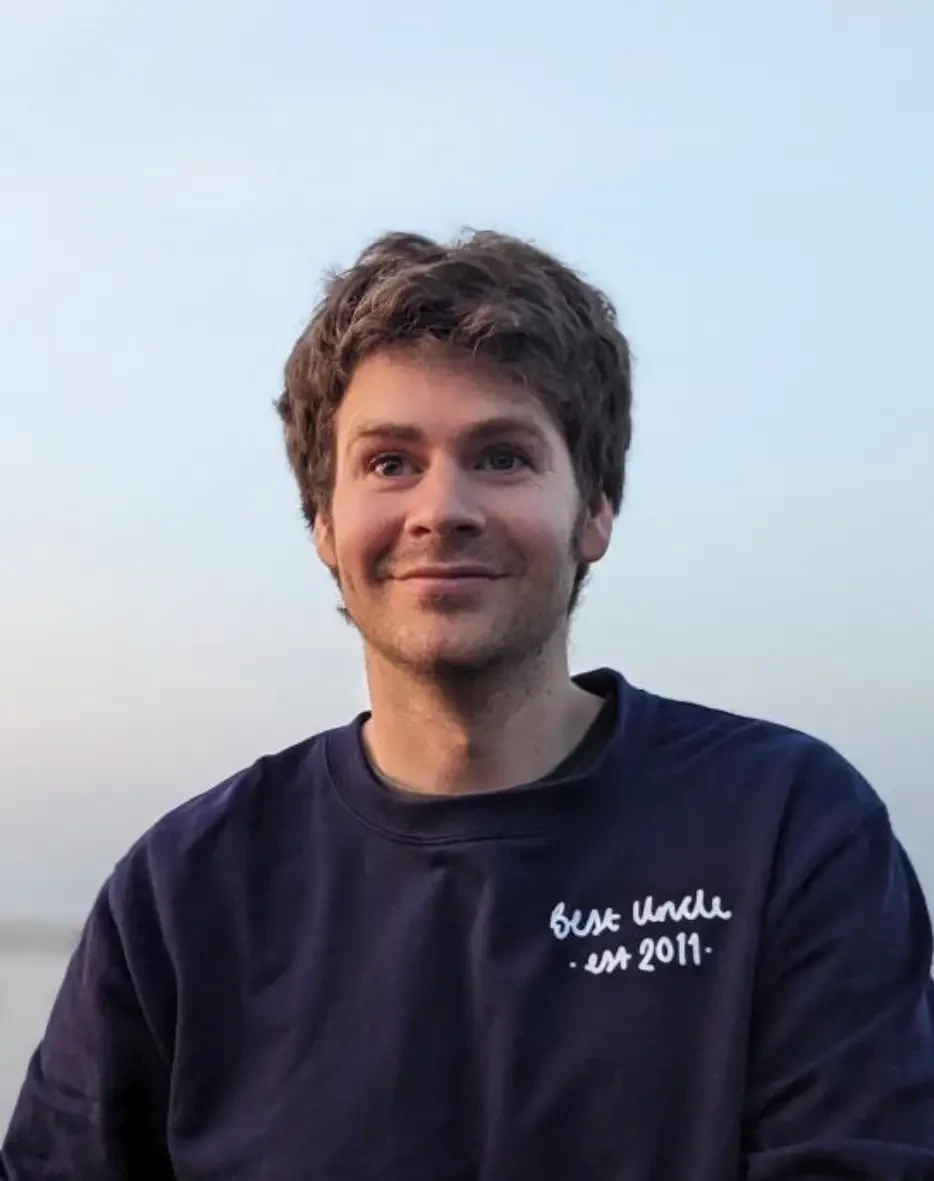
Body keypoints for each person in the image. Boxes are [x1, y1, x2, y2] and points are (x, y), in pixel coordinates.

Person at [3, 230, 933, 1180]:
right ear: (322, 520)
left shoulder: (786, 829)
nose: (441, 508)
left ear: (596, 510)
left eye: (501, 456)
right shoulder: (182, 894)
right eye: (389, 463)